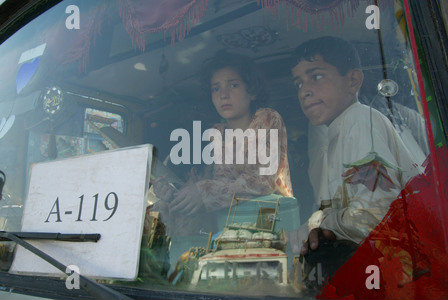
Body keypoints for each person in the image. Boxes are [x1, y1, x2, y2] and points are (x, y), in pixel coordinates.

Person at [290, 36, 422, 273]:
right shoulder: (335, 134)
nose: (304, 92)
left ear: (353, 81)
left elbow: (374, 215)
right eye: (298, 84)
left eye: (316, 77)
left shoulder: (360, 121)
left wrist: (318, 223)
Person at [153, 51, 293, 236]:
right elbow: (220, 186)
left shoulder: (267, 119)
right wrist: (177, 195)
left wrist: (202, 191)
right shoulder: (216, 134)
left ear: (251, 91)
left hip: (271, 221)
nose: (223, 95)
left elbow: (262, 182)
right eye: (216, 89)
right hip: (229, 228)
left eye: (233, 85)